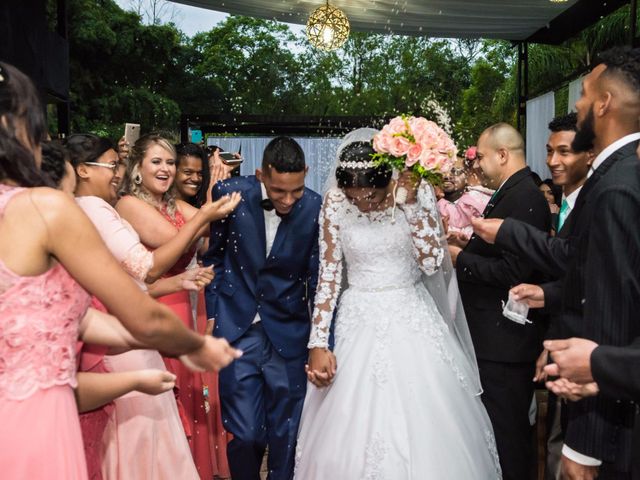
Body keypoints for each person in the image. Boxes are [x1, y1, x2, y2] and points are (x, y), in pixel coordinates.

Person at [0, 62, 239, 479]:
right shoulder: (45, 209)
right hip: (30, 423)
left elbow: (70, 318)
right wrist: (194, 345)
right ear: (17, 130)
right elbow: (141, 306)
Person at [293, 129, 501, 479]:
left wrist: (410, 207)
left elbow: (434, 262)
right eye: (353, 197)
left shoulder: (413, 192)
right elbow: (329, 275)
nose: (362, 204)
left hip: (411, 313)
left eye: (371, 197)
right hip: (357, 316)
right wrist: (317, 342)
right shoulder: (333, 203)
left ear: (386, 181)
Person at [473, 46, 640, 479]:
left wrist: (583, 448)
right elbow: (593, 268)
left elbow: (613, 315)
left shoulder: (618, 186)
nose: (579, 105)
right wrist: (547, 293)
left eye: (583, 95)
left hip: (614, 426)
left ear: (603, 104)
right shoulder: (616, 175)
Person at [115, 134, 240, 480]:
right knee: (168, 393)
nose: (166, 169)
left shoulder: (174, 206)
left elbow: (212, 234)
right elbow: (170, 244)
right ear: (137, 168)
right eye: (157, 162)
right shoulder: (128, 204)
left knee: (192, 391)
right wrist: (205, 215)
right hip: (155, 305)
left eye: (170, 162)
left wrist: (217, 191)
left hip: (187, 305)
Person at [203, 136, 322, 480]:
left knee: (286, 434)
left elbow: (317, 278)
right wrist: (213, 312)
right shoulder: (229, 193)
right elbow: (215, 259)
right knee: (246, 434)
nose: (287, 200)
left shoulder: (315, 207)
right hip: (238, 330)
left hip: (289, 332)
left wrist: (319, 337)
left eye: (295, 191)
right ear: (260, 175)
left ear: (307, 173)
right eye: (279, 191)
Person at [449, 123, 551, 480]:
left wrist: (459, 259)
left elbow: (513, 271)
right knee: (498, 433)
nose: (478, 166)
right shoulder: (510, 191)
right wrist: (465, 246)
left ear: (503, 155)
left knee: (510, 438)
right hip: (493, 338)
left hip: (505, 341)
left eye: (483, 156)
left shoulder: (525, 197)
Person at [508, 112, 594, 480]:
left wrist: (548, 294)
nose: (552, 162)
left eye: (564, 152)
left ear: (590, 155)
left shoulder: (598, 204)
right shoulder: (561, 204)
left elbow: (595, 279)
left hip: (592, 349)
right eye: (548, 151)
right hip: (562, 339)